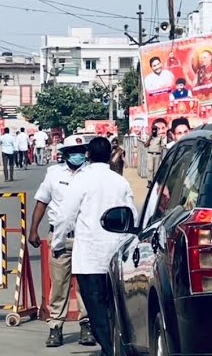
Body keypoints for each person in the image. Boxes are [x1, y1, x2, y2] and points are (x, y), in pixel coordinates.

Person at [53, 137, 136, 356]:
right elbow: (132, 215)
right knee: (115, 308)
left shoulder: (80, 181)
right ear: (110, 155)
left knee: (97, 310)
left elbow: (65, 217)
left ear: (88, 155)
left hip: (89, 258)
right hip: (116, 255)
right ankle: (115, 348)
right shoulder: (120, 182)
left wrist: (57, 243)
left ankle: (110, 350)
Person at [28, 135, 94, 347]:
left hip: (85, 236)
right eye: (73, 151)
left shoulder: (91, 174)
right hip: (59, 236)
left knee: (85, 283)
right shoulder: (53, 174)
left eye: (81, 150)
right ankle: (55, 327)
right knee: (59, 284)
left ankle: (87, 325)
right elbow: (42, 201)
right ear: (64, 154)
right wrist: (33, 229)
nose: (78, 155)